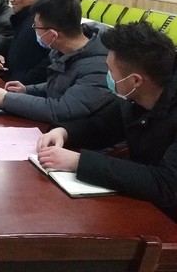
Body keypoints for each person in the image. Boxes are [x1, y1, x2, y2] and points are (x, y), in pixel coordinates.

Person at [36, 22, 177, 221]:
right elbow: (101, 127)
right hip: (142, 203)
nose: (107, 76)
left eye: (110, 70)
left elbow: (166, 184)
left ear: (136, 80)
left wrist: (79, 162)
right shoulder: (134, 96)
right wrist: (63, 132)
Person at [0, 0, 114, 123]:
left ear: (53, 35)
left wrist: (7, 99)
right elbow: (60, 85)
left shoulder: (98, 66)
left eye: (36, 27)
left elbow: (61, 110)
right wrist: (26, 90)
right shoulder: (65, 51)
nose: (34, 30)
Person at [0, 0, 50, 85]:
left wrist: (23, 82)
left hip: (25, 87)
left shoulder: (41, 23)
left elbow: (48, 61)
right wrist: (2, 57)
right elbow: (18, 52)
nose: (11, 0)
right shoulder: (21, 19)